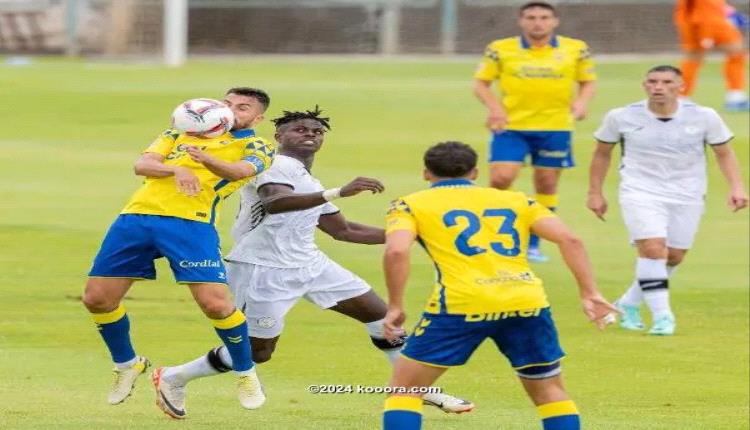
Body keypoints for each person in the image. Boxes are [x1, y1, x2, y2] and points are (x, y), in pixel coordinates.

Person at [150, 108, 473, 419]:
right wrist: (339, 192)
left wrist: (413, 234)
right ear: (279, 136)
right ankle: (175, 377)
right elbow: (276, 202)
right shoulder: (273, 164)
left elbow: (345, 231)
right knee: (258, 352)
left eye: (317, 131)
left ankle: (415, 389)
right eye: (300, 129)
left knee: (382, 318)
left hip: (311, 264)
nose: (311, 135)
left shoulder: (307, 178)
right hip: (263, 270)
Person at [380, 141, 616, 430]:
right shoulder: (517, 200)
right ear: (475, 173)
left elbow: (396, 251)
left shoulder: (409, 204)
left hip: (461, 305)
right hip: (526, 302)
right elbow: (571, 239)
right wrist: (590, 292)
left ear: (426, 173)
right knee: (549, 392)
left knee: (405, 390)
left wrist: (395, 306)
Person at [82, 88, 275, 411]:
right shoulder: (178, 131)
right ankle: (127, 364)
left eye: (242, 108)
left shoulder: (256, 145)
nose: (230, 110)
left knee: (216, 305)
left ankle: (245, 373)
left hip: (191, 225)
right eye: (227, 103)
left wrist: (205, 159)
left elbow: (241, 171)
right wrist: (176, 169)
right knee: (97, 299)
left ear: (257, 119)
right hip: (135, 218)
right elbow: (143, 164)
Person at [588, 65, 748, 335]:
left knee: (673, 256)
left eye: (666, 82)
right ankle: (663, 317)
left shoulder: (704, 116)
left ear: (681, 86)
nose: (658, 87)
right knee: (652, 248)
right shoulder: (621, 116)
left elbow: (723, 152)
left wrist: (737, 187)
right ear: (644, 85)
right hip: (640, 190)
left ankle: (628, 303)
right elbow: (602, 153)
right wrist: (595, 192)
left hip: (688, 193)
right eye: (652, 82)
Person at [473, 1, 597, 263]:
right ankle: (494, 235)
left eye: (543, 17)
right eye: (531, 17)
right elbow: (481, 84)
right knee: (501, 178)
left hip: (555, 127)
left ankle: (533, 244)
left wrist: (582, 103)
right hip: (511, 126)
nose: (537, 23)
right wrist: (495, 109)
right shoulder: (500, 49)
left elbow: (587, 82)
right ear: (521, 21)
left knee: (547, 182)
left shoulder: (576, 48)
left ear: (555, 21)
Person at [674, 0, 749, 111]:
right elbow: (705, 7)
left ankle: (681, 97)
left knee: (693, 59)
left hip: (689, 22)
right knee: (736, 53)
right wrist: (706, 33)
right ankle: (735, 97)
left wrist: (726, 9)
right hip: (710, 21)